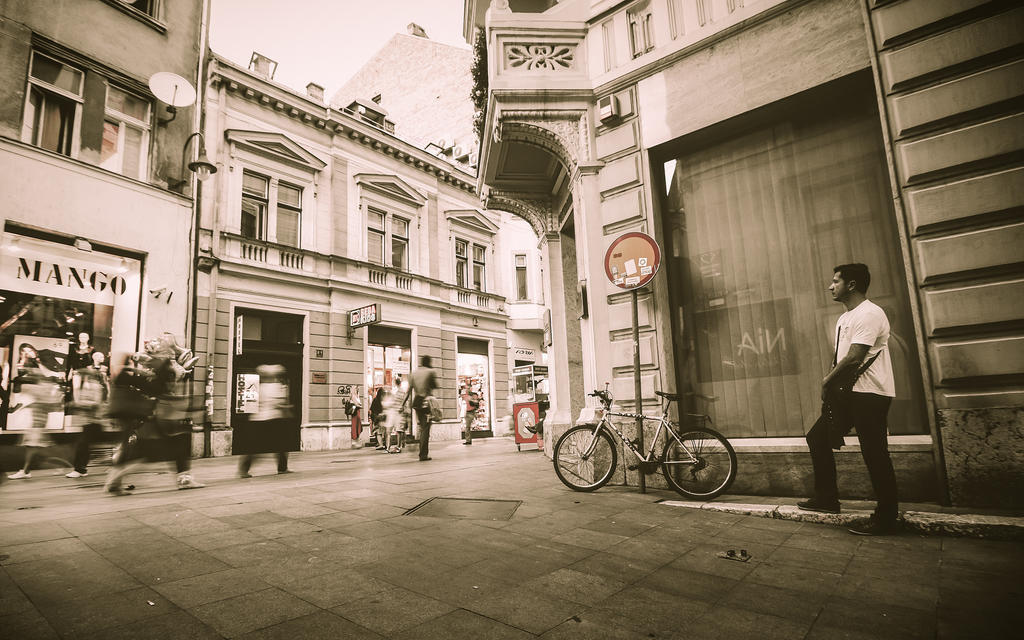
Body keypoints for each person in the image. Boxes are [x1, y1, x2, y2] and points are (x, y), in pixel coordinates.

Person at [799, 263, 900, 536]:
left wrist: (826, 380)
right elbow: (842, 358)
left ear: (851, 284)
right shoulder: (844, 318)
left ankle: (887, 516)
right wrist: (832, 386)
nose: (830, 286)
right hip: (848, 394)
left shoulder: (870, 313)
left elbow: (855, 356)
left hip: (870, 394)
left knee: (875, 453)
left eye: (836, 281)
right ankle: (827, 499)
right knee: (817, 437)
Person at [103, 335, 205, 495]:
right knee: (166, 447)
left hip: (156, 413)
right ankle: (184, 479)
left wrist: (137, 367)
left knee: (156, 448)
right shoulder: (162, 366)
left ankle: (115, 479)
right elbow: (158, 385)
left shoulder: (153, 368)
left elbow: (147, 383)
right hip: (163, 413)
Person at [237, 364, 296, 477]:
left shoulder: (256, 386)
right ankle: (282, 468)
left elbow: (249, 404)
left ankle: (244, 470)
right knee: (282, 445)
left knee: (254, 447)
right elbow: (279, 405)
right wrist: (288, 409)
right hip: (273, 419)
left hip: (257, 419)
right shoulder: (277, 386)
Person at [66, 351, 110, 478]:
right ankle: (81, 469)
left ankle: (80, 469)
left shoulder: (96, 386)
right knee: (86, 444)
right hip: (90, 419)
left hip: (94, 419)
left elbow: (95, 403)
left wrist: (79, 404)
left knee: (83, 444)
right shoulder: (91, 385)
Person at [409, 355, 438, 461]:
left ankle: (422, 452)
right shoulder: (430, 372)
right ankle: (423, 454)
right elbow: (435, 385)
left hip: (416, 402)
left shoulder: (414, 373)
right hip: (426, 403)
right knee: (426, 428)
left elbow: (409, 390)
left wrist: (402, 404)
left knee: (422, 427)